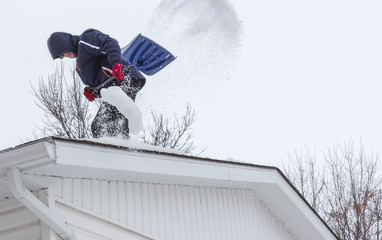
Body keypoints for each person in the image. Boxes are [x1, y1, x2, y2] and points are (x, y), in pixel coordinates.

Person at [47, 29, 146, 139]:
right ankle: (111, 150)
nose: (65, 56)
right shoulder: (80, 67)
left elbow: (110, 43)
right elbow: (103, 82)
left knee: (115, 120)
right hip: (114, 89)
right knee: (97, 126)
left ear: (65, 44)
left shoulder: (85, 40)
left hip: (126, 78)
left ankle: (125, 146)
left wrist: (116, 63)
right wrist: (93, 91)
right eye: (61, 56)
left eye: (62, 52)